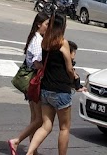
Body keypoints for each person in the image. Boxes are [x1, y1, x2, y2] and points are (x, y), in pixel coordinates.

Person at [25, 13, 77, 155]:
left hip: (46, 89)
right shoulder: (62, 42)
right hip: (60, 90)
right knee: (64, 128)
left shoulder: (45, 42)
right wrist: (73, 79)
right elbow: (69, 68)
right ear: (62, 25)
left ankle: (29, 152)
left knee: (46, 126)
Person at [8, 13, 49, 155]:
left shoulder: (35, 38)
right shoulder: (38, 41)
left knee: (34, 118)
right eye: (46, 24)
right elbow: (37, 63)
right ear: (39, 24)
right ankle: (16, 141)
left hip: (31, 82)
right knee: (39, 119)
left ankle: (33, 150)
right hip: (33, 82)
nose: (48, 27)